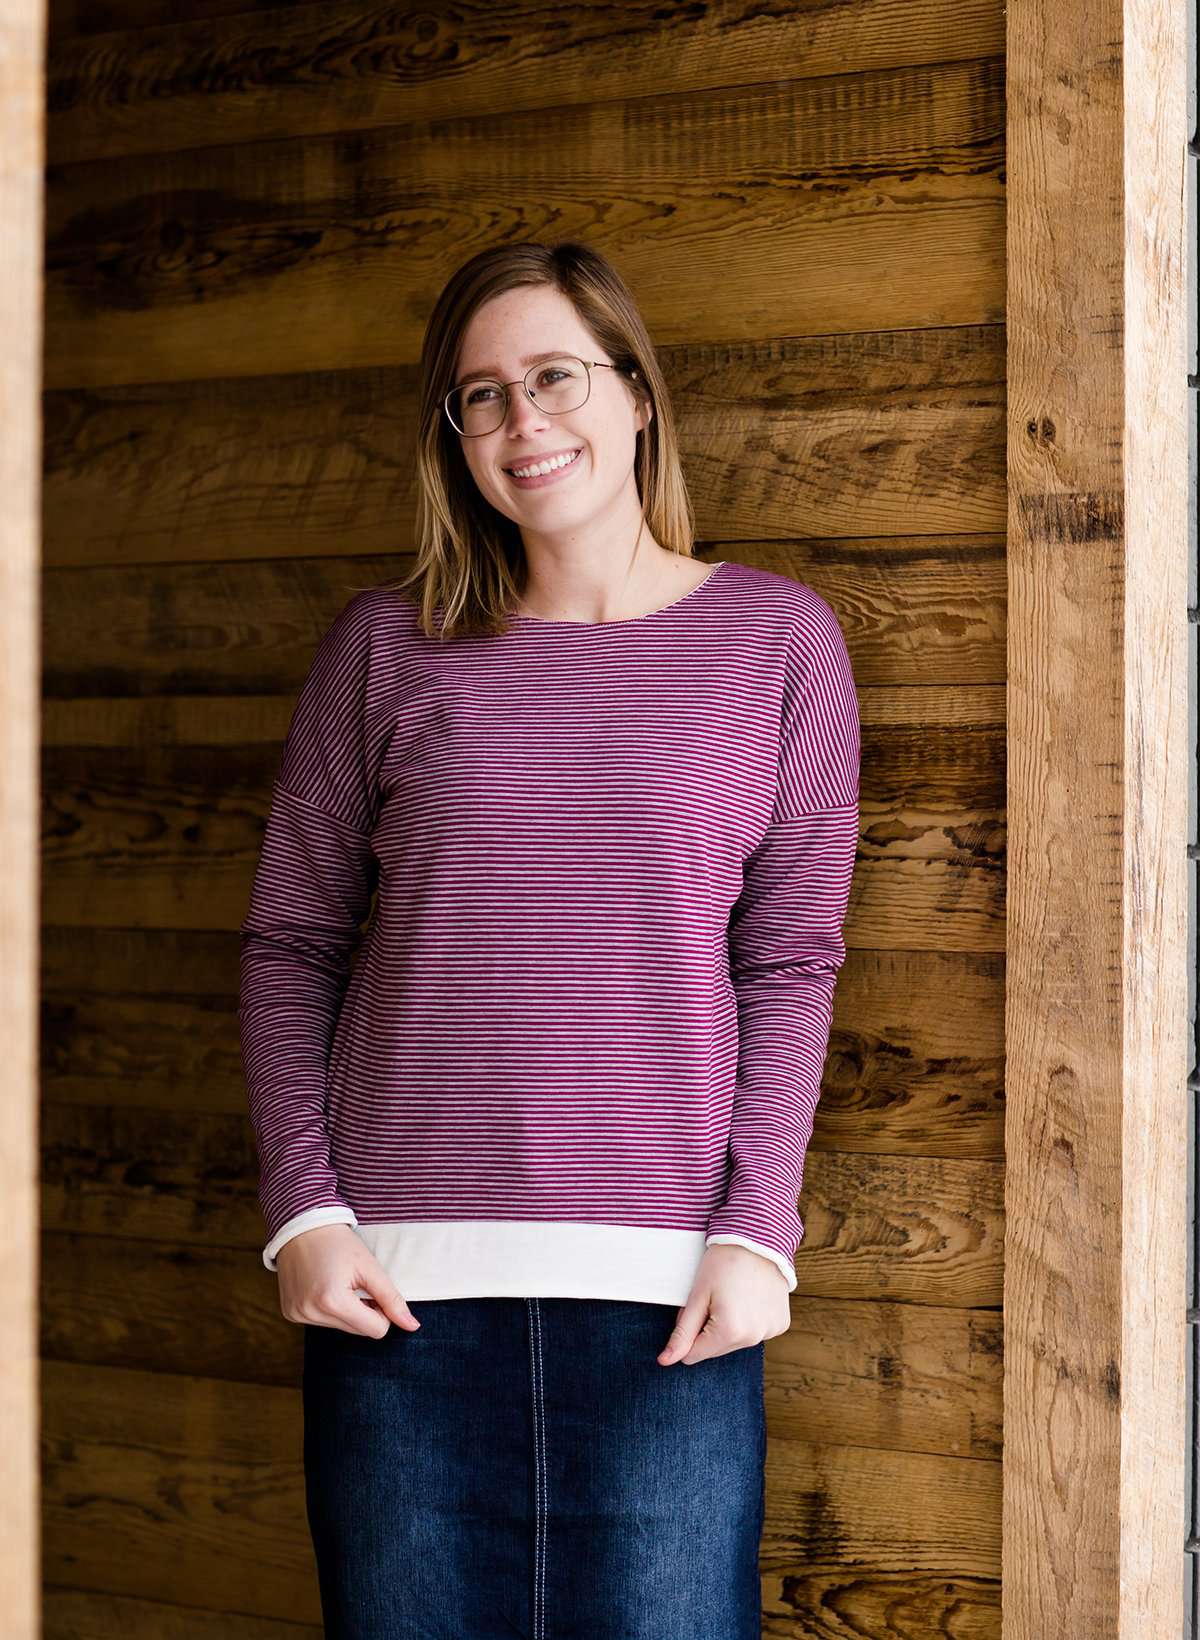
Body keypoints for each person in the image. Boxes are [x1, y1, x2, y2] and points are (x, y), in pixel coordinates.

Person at [237, 239, 861, 1640]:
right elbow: (290, 943)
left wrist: (759, 1230)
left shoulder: (777, 641)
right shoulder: (383, 648)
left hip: (665, 1305)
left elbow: (791, 957)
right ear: (452, 436)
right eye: (481, 397)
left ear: (636, 395)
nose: (524, 424)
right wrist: (304, 1212)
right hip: (395, 1296)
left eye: (555, 378)